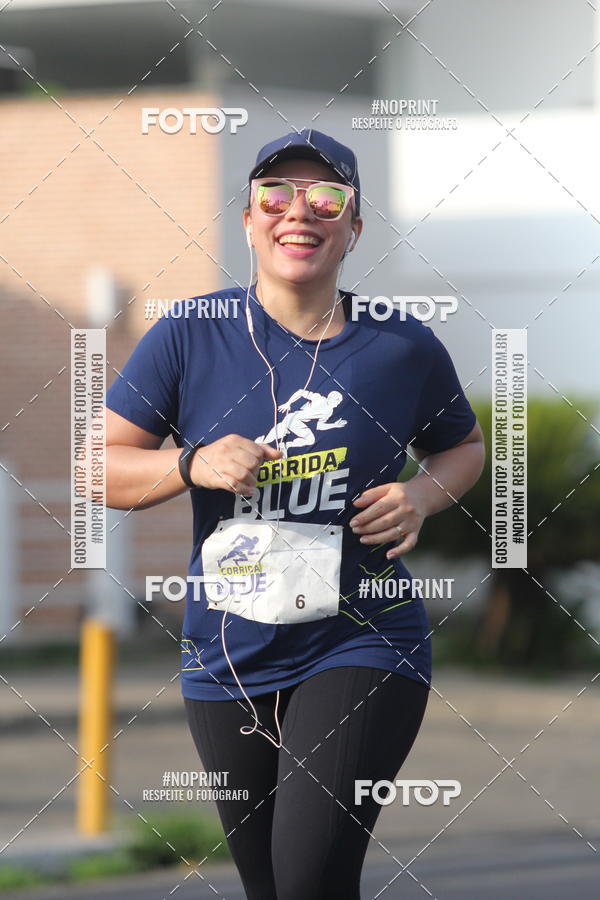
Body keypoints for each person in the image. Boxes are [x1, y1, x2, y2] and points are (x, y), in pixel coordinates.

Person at [104, 128, 485, 899]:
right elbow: (98, 466)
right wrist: (191, 462)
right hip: (227, 651)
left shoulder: (401, 345)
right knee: (269, 885)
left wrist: (420, 495)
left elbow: (463, 446)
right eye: (275, 197)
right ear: (249, 220)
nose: (298, 212)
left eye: (326, 199)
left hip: (363, 636)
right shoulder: (190, 333)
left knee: (311, 877)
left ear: (354, 227)